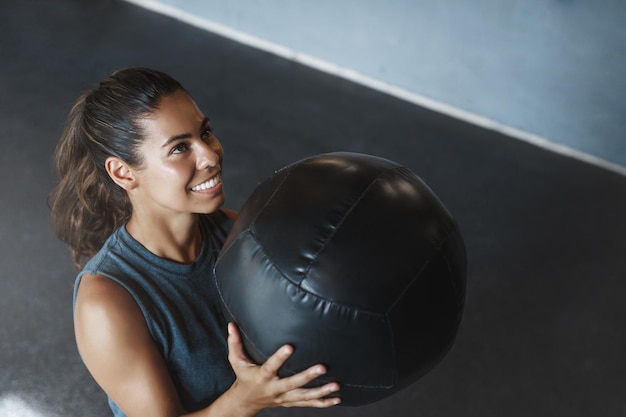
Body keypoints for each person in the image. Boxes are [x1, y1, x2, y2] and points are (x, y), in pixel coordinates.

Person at [49, 67, 341, 417]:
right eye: (179, 148)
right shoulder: (106, 302)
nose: (211, 156)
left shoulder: (237, 235)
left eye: (205, 132)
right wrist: (246, 399)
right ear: (123, 172)